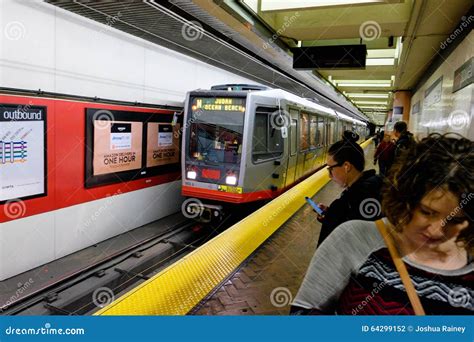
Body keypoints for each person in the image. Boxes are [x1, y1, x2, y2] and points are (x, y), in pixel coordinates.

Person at [292, 133, 473, 315]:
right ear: (404, 200)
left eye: (455, 220)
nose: (437, 231)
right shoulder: (354, 238)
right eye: (426, 213)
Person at [316, 135, 383, 245]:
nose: (329, 175)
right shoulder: (375, 185)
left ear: (346, 166)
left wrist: (333, 215)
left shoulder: (351, 201)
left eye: (330, 169)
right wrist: (330, 214)